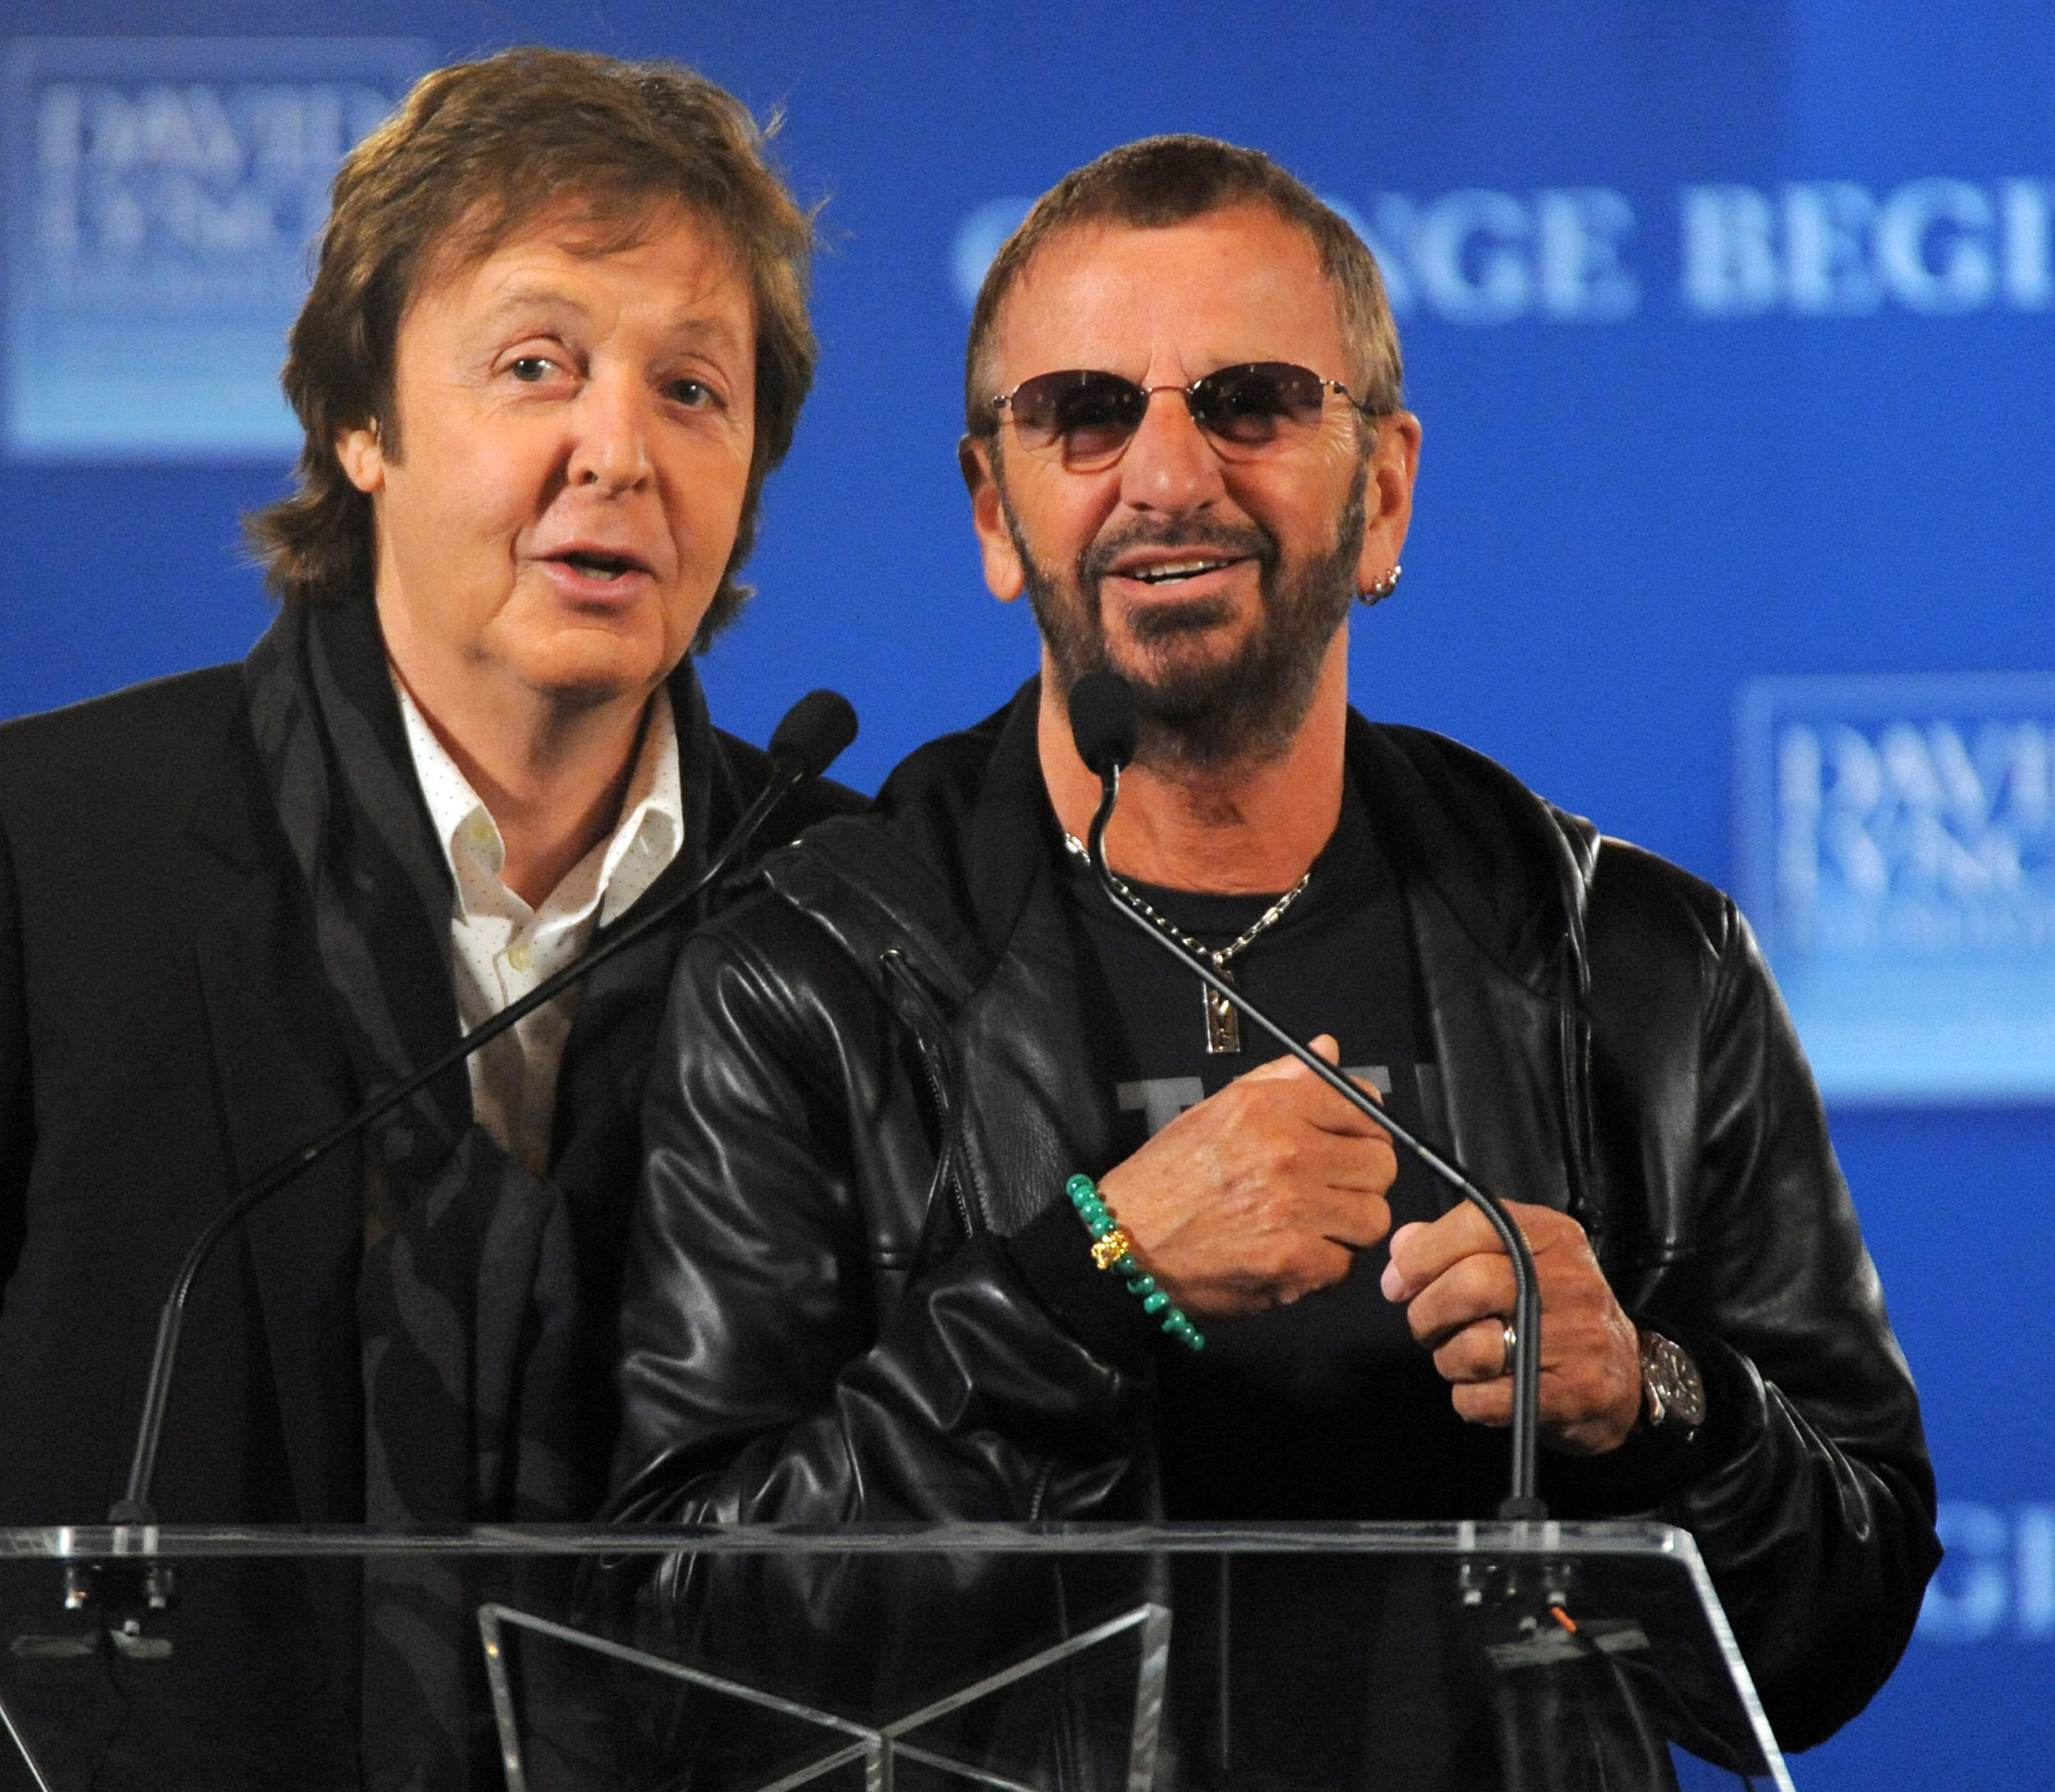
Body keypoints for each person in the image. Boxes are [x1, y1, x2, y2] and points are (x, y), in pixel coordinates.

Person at [609, 135, 1938, 1759]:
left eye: (1251, 404)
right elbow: (686, 1643)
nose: (1169, 477)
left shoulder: (1638, 962)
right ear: (995, 511)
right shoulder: (809, 975)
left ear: (1384, 490)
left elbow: (1837, 1628)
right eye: (1087, 413)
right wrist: (1088, 1282)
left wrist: (1650, 1400)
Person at [0, 46, 858, 1792]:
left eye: (694, 389)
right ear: (362, 423)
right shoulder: (31, 857)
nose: (618, 451)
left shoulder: (833, 902)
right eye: (535, 365)